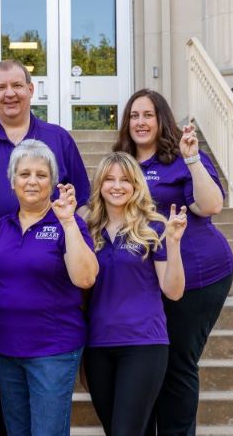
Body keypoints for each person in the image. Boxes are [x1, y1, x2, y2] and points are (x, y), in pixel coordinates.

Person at [0, 59, 90, 435]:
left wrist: (66, 229)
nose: (10, 93)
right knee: (2, 391)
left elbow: (79, 194)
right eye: (1, 87)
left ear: (32, 90)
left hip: (49, 266)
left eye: (17, 85)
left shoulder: (59, 138)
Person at [114, 88, 233, 435]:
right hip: (150, 281)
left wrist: (193, 159)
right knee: (151, 364)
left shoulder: (181, 158)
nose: (140, 122)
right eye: (134, 116)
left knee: (178, 363)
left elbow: (210, 207)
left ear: (161, 119)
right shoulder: (123, 163)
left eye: (148, 115)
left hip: (199, 272)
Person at [0, 139, 98, 436]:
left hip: (52, 351)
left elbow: (85, 279)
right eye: (24, 174)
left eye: (41, 175)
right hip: (7, 352)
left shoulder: (66, 223)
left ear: (53, 182)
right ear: (12, 181)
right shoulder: (0, 227)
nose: (32, 181)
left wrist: (69, 222)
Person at [83, 151, 187, 436]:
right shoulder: (87, 229)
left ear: (136, 185)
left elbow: (173, 291)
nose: (117, 186)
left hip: (143, 342)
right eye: (109, 179)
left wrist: (175, 243)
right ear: (100, 185)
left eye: (125, 180)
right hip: (98, 345)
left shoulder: (153, 227)